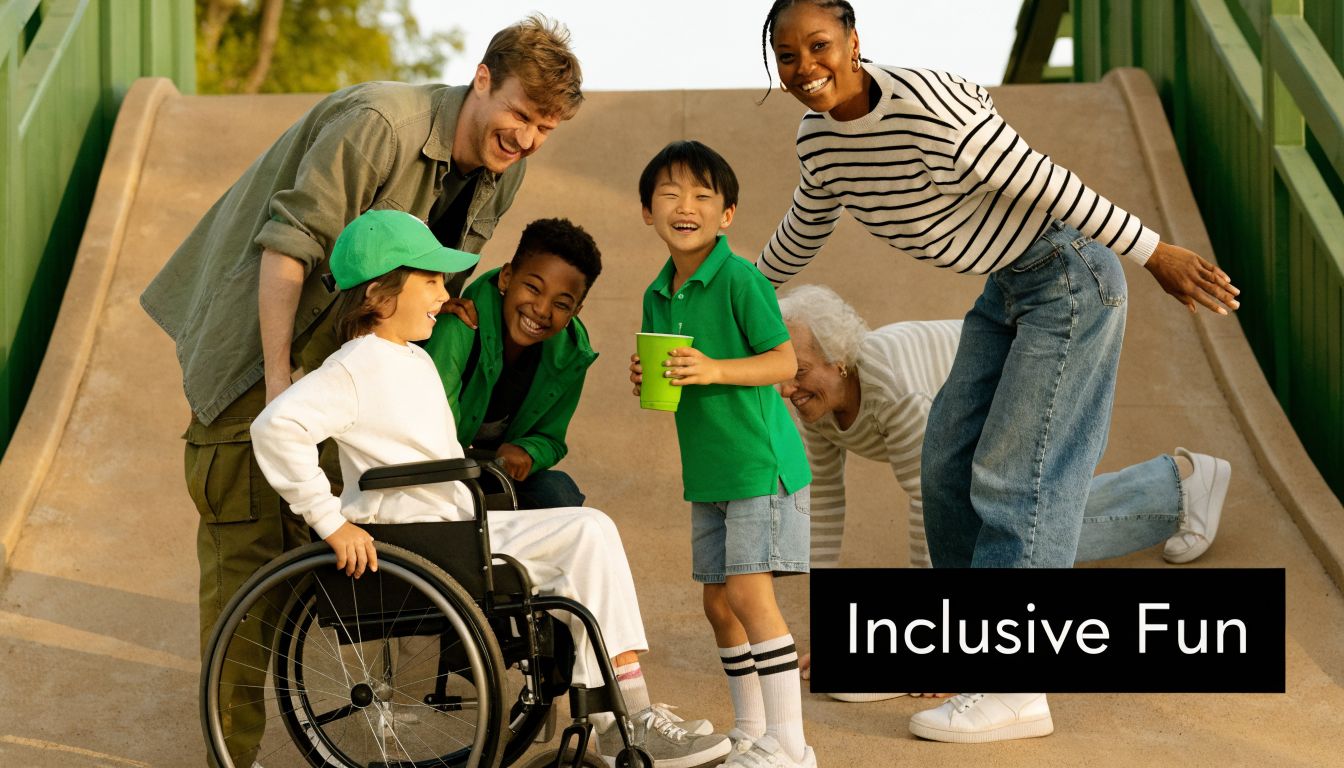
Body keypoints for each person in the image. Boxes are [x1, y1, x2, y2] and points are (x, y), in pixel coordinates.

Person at [755, 0, 1240, 743]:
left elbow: (1047, 181)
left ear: (854, 42)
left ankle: (1016, 688)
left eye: (818, 46)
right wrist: (728, 299)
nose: (804, 69)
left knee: (1017, 480)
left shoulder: (926, 106)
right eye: (786, 56)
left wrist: (1155, 253)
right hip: (1005, 288)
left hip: (1067, 278)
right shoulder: (819, 141)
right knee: (948, 463)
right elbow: (803, 227)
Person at [139, 16, 581, 766]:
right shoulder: (379, 123)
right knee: (249, 565)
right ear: (481, 78)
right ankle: (230, 757)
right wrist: (281, 386)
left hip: (351, 368)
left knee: (356, 549)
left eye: (545, 126)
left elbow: (440, 286)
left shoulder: (507, 172)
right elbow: (287, 246)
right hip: (259, 358)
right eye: (520, 115)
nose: (529, 138)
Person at [252, 210, 731, 768]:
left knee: (587, 535)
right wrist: (330, 521)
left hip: (451, 524)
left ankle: (619, 713)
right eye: (429, 281)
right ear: (381, 293)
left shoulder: (406, 358)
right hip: (421, 539)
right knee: (587, 532)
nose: (443, 292)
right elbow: (275, 427)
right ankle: (627, 718)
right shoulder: (354, 367)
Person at [778, 283, 1230, 699]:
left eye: (797, 371)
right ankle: (1179, 486)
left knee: (1015, 529)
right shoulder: (815, 402)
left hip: (1019, 385)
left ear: (838, 361)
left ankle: (1181, 491)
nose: (786, 388)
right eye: (780, 370)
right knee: (1009, 530)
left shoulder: (893, 390)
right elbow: (822, 505)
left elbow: (928, 508)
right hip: (968, 423)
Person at [631, 141, 816, 768]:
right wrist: (653, 377)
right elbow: (681, 379)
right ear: (647, 211)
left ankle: (791, 745)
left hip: (758, 465)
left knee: (748, 595)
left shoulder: (741, 279)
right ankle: (752, 729)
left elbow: (784, 361)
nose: (687, 207)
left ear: (727, 215)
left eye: (704, 196)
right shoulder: (660, 293)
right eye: (671, 194)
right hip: (709, 469)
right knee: (718, 603)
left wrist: (710, 369)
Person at [423, 218, 599, 510]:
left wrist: (527, 451)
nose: (542, 310)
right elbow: (430, 435)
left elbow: (551, 437)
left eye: (561, 304)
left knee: (559, 492)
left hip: (492, 475)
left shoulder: (570, 356)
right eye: (533, 288)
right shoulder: (459, 327)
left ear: (575, 311)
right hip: (436, 475)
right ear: (506, 278)